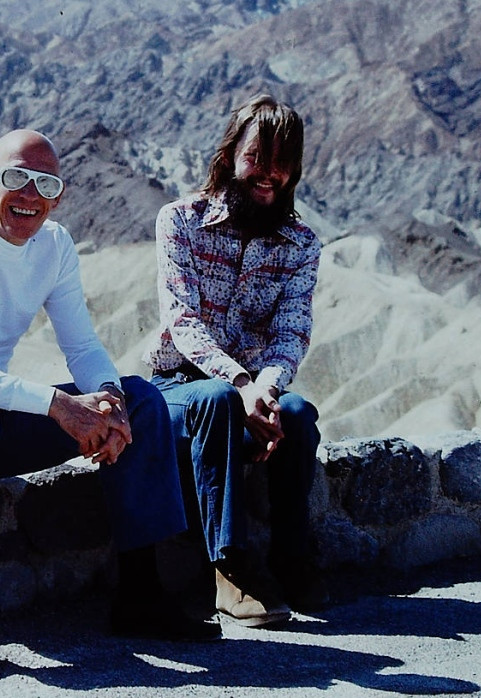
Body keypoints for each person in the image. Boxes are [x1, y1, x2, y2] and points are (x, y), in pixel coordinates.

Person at [0, 129, 218, 682]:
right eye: (15, 178)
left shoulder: (53, 247)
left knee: (144, 398)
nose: (29, 194)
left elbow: (81, 346)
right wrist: (57, 406)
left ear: (58, 195)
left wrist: (110, 404)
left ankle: (143, 593)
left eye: (44, 184)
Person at [144, 94, 326, 628]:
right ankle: (229, 569)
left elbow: (292, 332)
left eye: (281, 164)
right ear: (229, 156)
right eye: (256, 159)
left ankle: (292, 560)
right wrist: (241, 382)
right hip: (180, 390)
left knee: (296, 414)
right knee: (217, 399)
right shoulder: (180, 221)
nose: (267, 175)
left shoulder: (301, 245)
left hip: (249, 395)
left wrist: (265, 391)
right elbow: (183, 322)